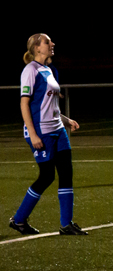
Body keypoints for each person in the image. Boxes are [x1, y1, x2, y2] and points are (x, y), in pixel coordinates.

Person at [9, 33, 87, 236]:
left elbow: (51, 106)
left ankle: (66, 224)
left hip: (58, 130)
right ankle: (19, 220)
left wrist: (66, 120)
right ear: (36, 48)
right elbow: (24, 103)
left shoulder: (50, 70)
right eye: (47, 42)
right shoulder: (30, 70)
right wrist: (33, 135)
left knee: (66, 173)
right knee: (46, 176)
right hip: (41, 132)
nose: (52, 44)